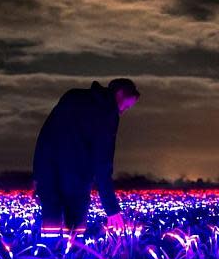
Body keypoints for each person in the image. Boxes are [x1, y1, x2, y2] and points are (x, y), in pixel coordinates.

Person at [32, 78, 139, 235]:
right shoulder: (107, 113)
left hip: (49, 172)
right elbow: (103, 161)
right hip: (77, 179)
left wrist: (38, 174)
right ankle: (73, 256)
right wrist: (111, 208)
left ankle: (50, 257)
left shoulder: (72, 96)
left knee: (51, 223)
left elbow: (45, 136)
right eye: (126, 106)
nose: (123, 111)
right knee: (75, 229)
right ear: (120, 93)